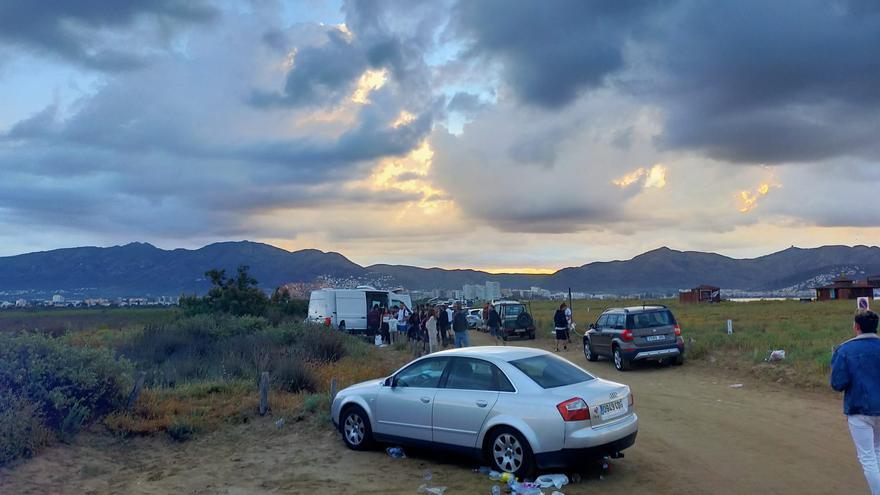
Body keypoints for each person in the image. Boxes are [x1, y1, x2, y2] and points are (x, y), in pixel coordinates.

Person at [832, 310, 880, 494]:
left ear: (857, 326)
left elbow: (838, 383)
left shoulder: (845, 350)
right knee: (877, 452)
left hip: (859, 409)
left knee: (868, 457)